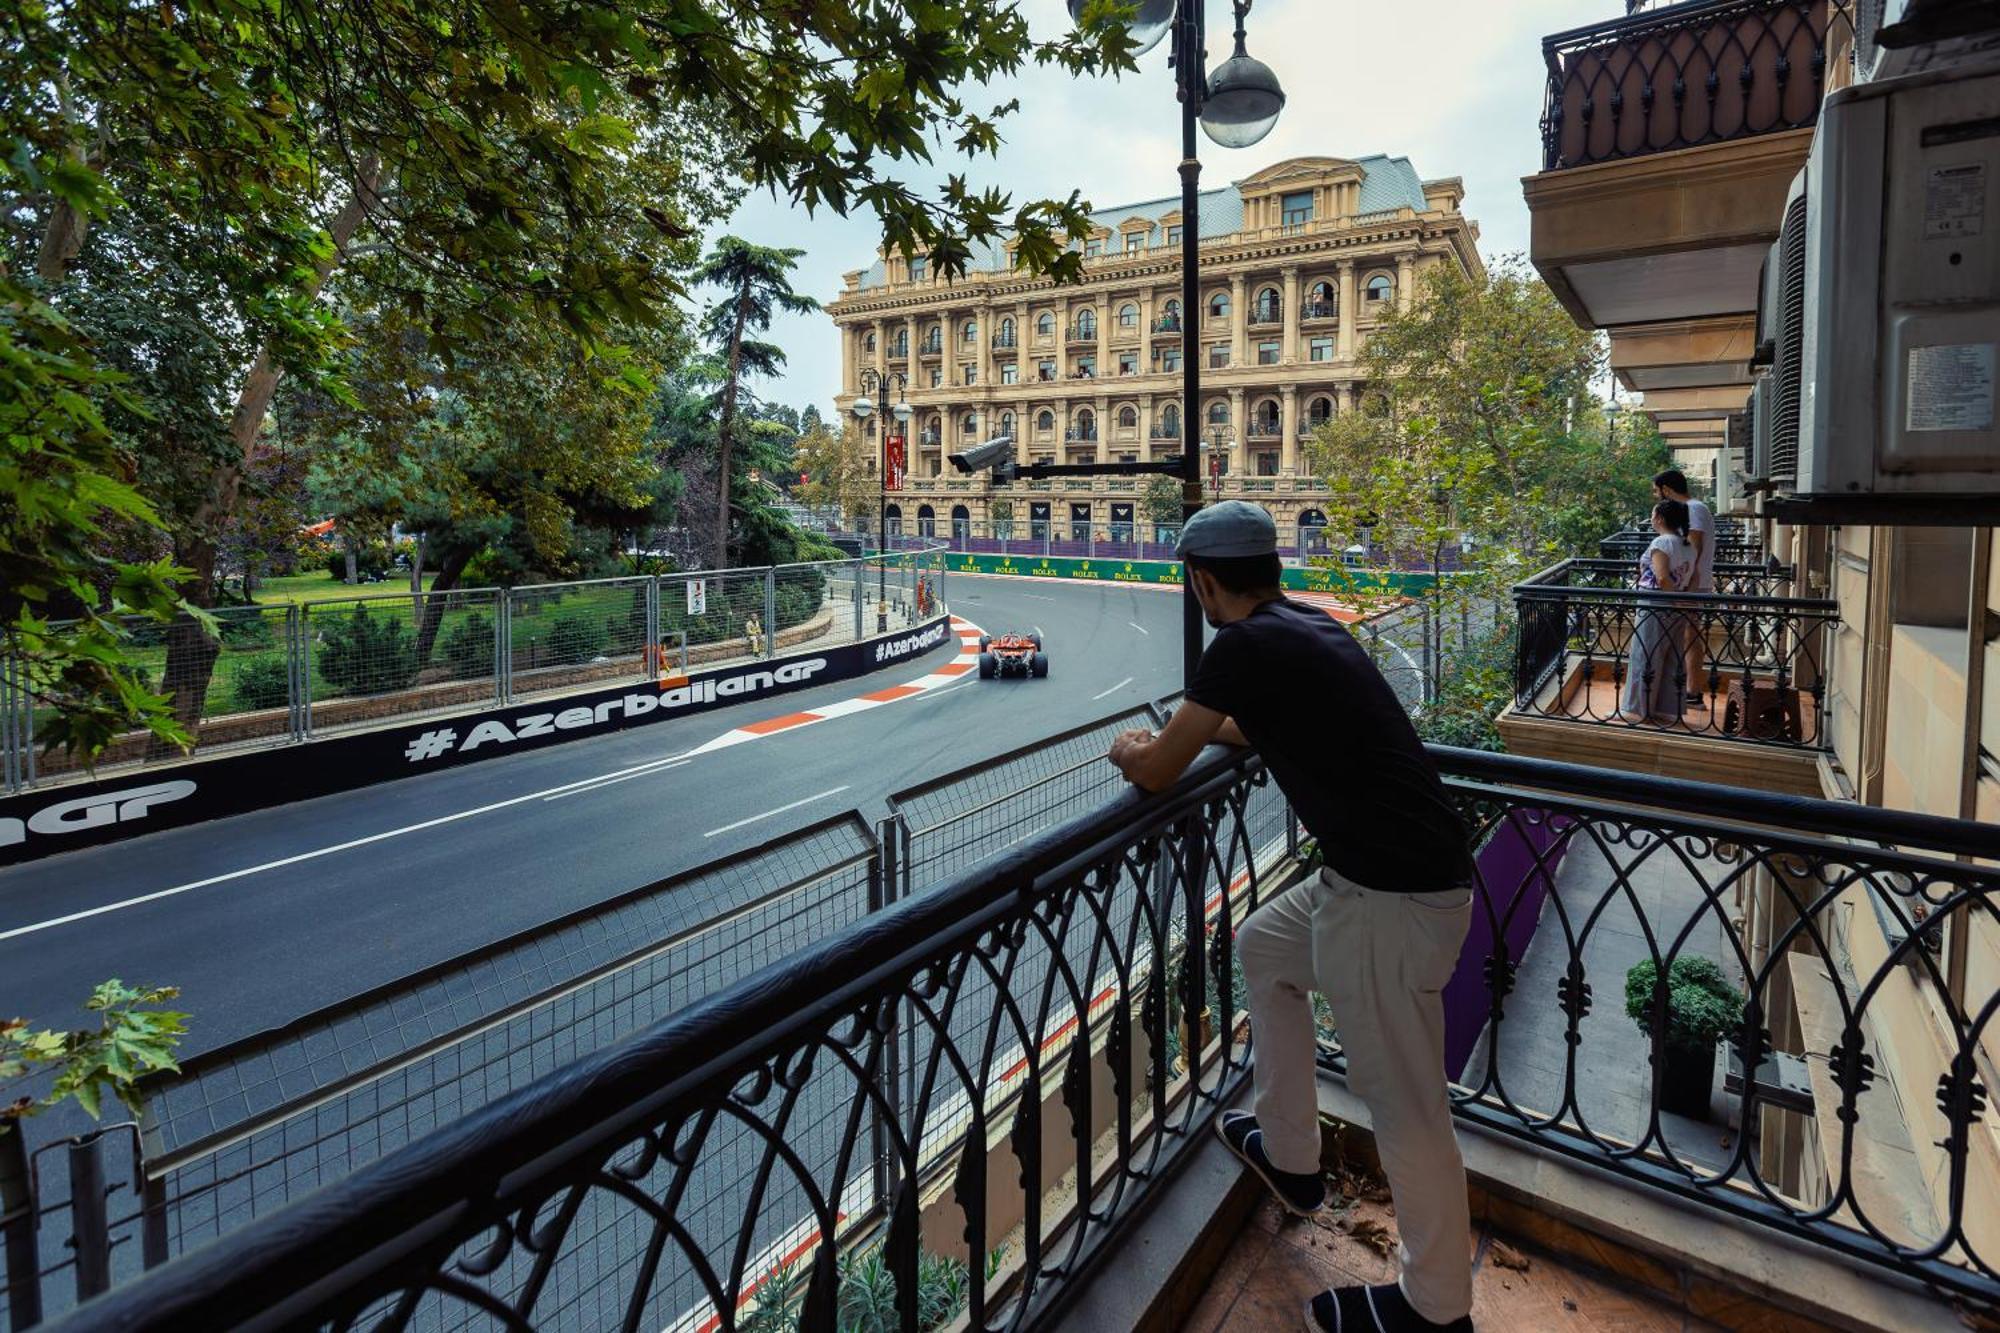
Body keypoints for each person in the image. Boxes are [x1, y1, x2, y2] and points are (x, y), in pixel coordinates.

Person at [1107, 501, 1477, 1333]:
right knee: (1265, 945)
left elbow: (1161, 768)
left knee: (1408, 1106)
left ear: (1204, 580)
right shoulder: (1303, 628)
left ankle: (1436, 1309)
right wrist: (1208, 736)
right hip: (1387, 881)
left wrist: (1133, 749)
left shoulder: (1239, 644)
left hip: (1391, 897)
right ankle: (1291, 1155)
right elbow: (1253, 724)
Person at [1618, 500, 1698, 724]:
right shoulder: (1688, 545)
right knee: (1671, 657)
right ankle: (1666, 709)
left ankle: (1636, 711)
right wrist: (1684, 601)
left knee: (1645, 655)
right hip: (1677, 605)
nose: (1651, 518)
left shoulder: (1662, 542)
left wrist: (1673, 599)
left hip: (1655, 603)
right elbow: (1695, 577)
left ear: (1660, 518)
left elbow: (1662, 577)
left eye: (1653, 514)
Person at [1651, 469, 1714, 706]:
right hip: (1691, 584)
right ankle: (1687, 691)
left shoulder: (1693, 508)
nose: (1657, 497)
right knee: (1687, 635)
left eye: (1658, 491)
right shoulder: (1696, 508)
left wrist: (1686, 587)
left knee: (1690, 636)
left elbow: (1694, 548)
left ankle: (1693, 692)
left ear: (1667, 489)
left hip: (1692, 585)